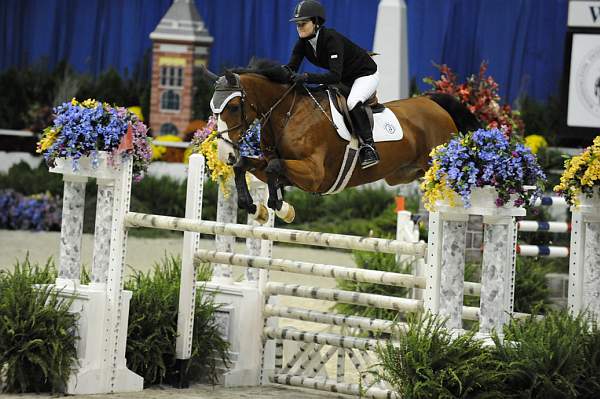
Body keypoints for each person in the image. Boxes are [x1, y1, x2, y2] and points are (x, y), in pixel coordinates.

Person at [286, 0, 380, 169]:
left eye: (303, 23)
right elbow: (290, 68)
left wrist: (306, 77)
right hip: (345, 79)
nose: (299, 27)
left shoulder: (331, 38)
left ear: (316, 22)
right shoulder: (302, 43)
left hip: (365, 75)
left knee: (352, 102)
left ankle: (369, 147)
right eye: (297, 24)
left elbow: (334, 75)